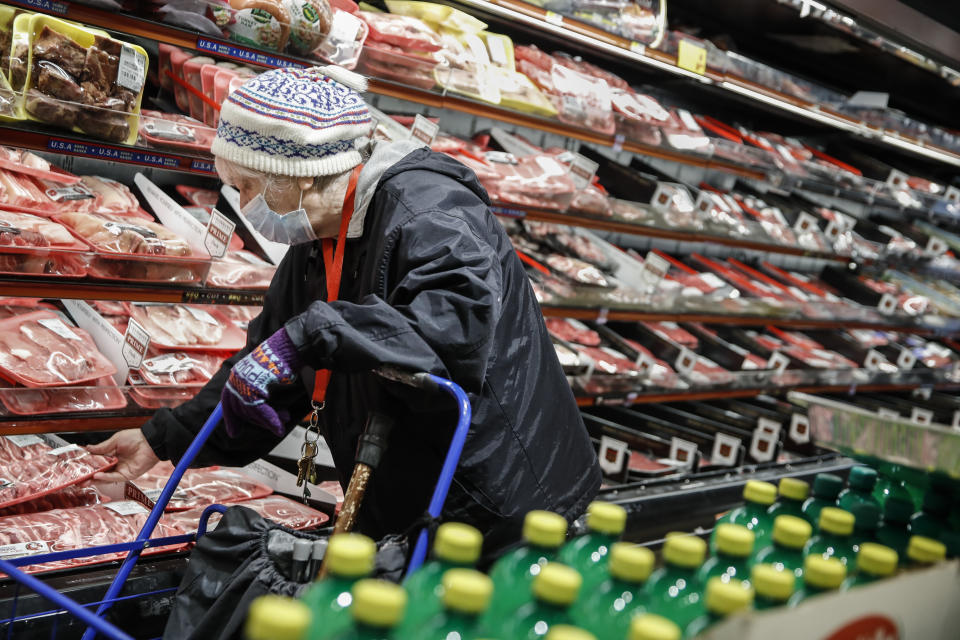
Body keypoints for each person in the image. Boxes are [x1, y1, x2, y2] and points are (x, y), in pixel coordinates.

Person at [88, 66, 600, 557]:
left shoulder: (432, 211)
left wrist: (311, 334)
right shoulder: (316, 239)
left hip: (504, 508)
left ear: (301, 176)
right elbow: (268, 365)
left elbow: (449, 335)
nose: (239, 202)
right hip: (411, 502)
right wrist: (161, 438)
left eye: (244, 185)